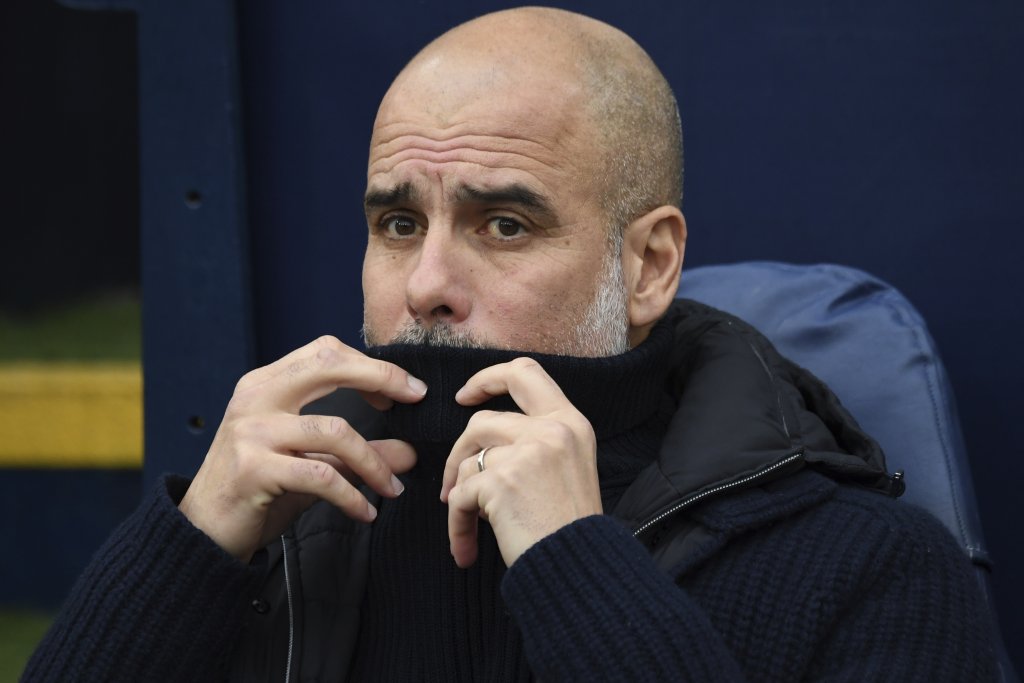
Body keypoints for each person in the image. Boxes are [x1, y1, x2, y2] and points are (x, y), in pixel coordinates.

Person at [24, 7, 995, 682]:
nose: (426, 285)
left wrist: (578, 566)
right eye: (398, 223)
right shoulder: (283, 530)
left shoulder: (873, 570)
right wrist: (186, 548)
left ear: (648, 264)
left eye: (503, 224)